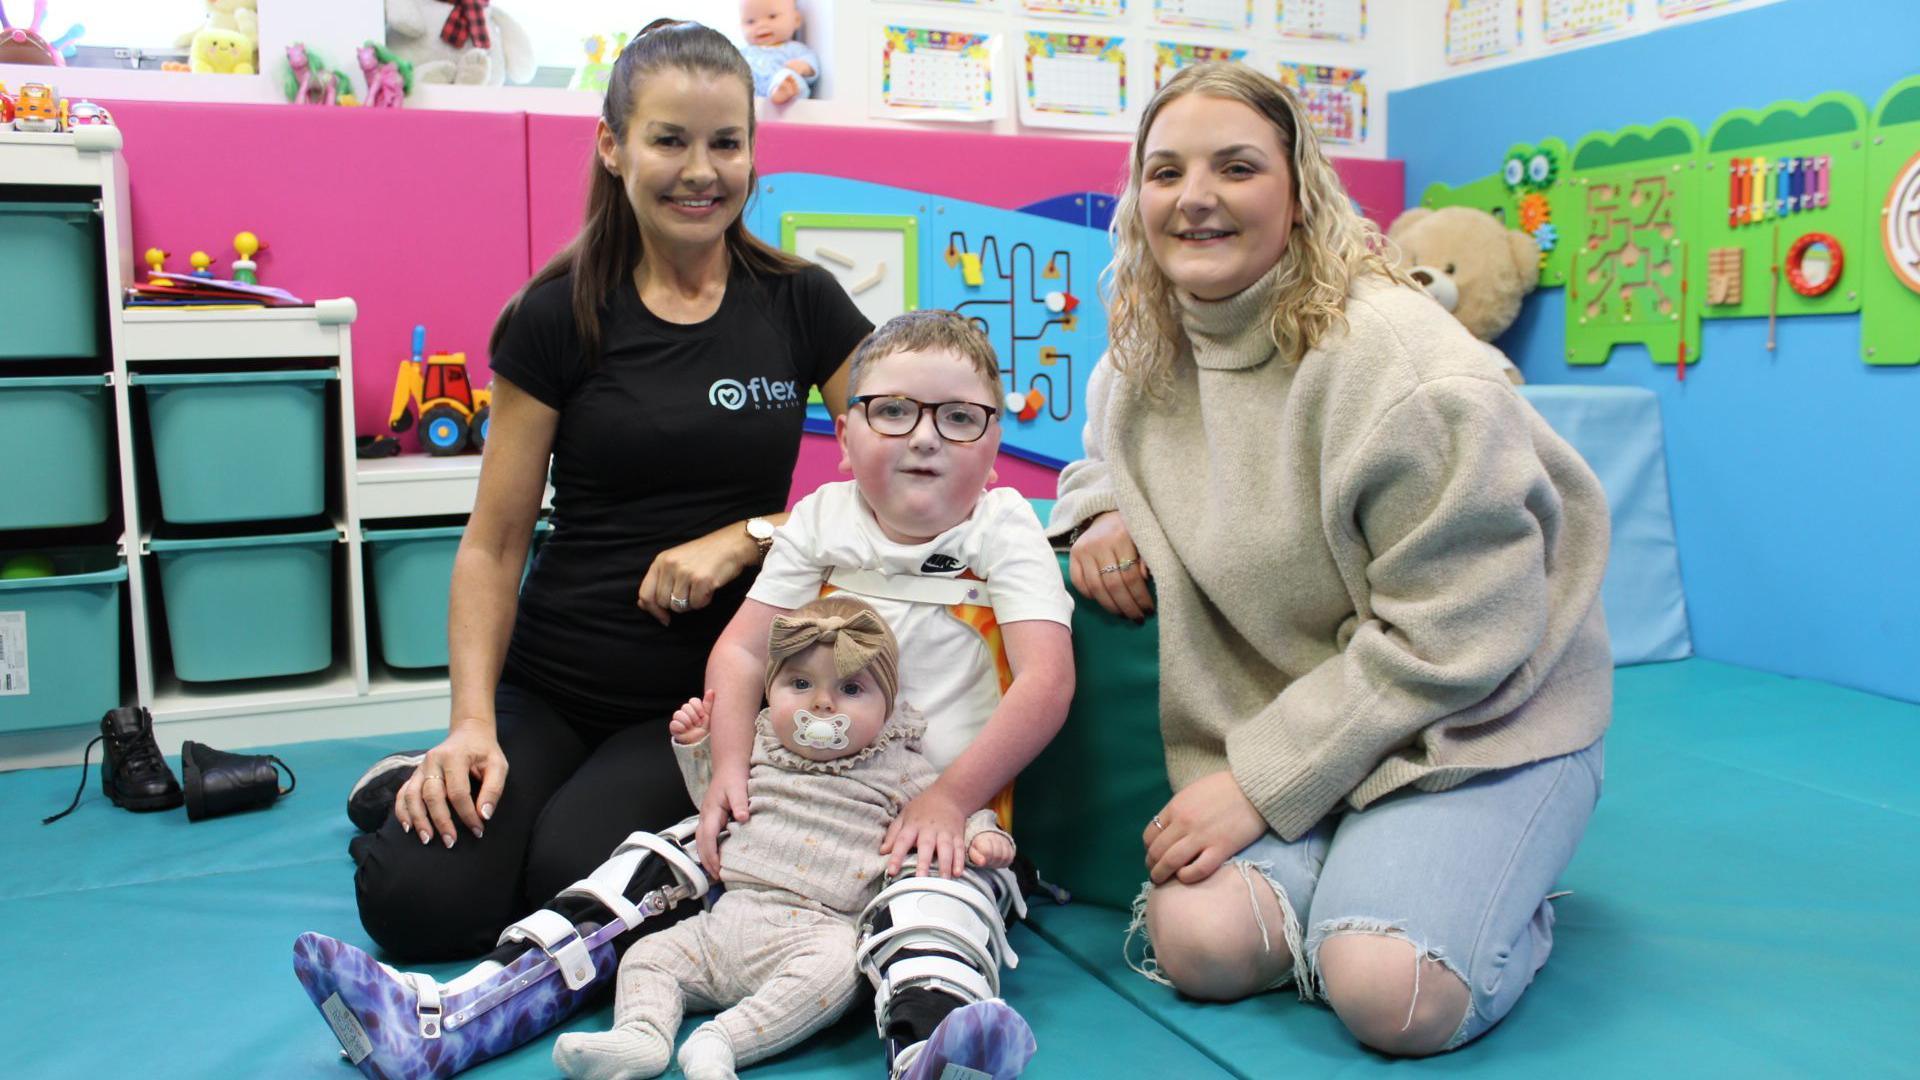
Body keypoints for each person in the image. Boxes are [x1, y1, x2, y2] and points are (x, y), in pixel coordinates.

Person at [297, 20, 870, 1079]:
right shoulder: (557, 314)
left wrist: (748, 535)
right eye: (669, 141)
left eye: (727, 144)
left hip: (694, 702)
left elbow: (889, 485)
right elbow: (493, 542)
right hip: (555, 677)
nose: (702, 172)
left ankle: (477, 809)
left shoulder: (802, 304)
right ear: (613, 146)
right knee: (422, 907)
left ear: (753, 149)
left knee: (571, 871)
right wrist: (471, 721)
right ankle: (410, 782)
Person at [1049, 62, 1612, 1057]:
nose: (1197, 197)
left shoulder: (1403, 366)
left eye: (1237, 166)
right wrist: (1097, 511)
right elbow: (1101, 456)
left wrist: (1260, 782)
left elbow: (1463, 628)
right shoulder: (1142, 353)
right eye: (1166, 170)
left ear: (1300, 191)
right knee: (1202, 945)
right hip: (1315, 711)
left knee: (1389, 995)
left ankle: (1496, 897)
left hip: (1474, 717)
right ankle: (1373, 863)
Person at [699, 308, 1076, 1074]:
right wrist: (729, 771)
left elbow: (1046, 679)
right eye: (894, 410)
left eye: (959, 417)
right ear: (844, 436)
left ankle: (933, 1050)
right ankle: (490, 995)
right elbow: (741, 650)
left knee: (932, 917)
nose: (925, 436)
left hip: (942, 823)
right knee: (664, 862)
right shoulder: (822, 518)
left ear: (994, 448)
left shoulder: (1002, 529)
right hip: (798, 800)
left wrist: (946, 798)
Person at [552, 596, 1021, 1080]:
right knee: (646, 955)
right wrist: (697, 748)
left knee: (841, 971)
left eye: (851, 688)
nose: (822, 703)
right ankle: (642, 1034)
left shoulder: (897, 767)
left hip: (819, 929)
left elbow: (946, 814)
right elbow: (713, 801)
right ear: (770, 691)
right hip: (726, 920)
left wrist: (983, 837)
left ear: (888, 705)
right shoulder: (753, 750)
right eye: (800, 684)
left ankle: (722, 1041)